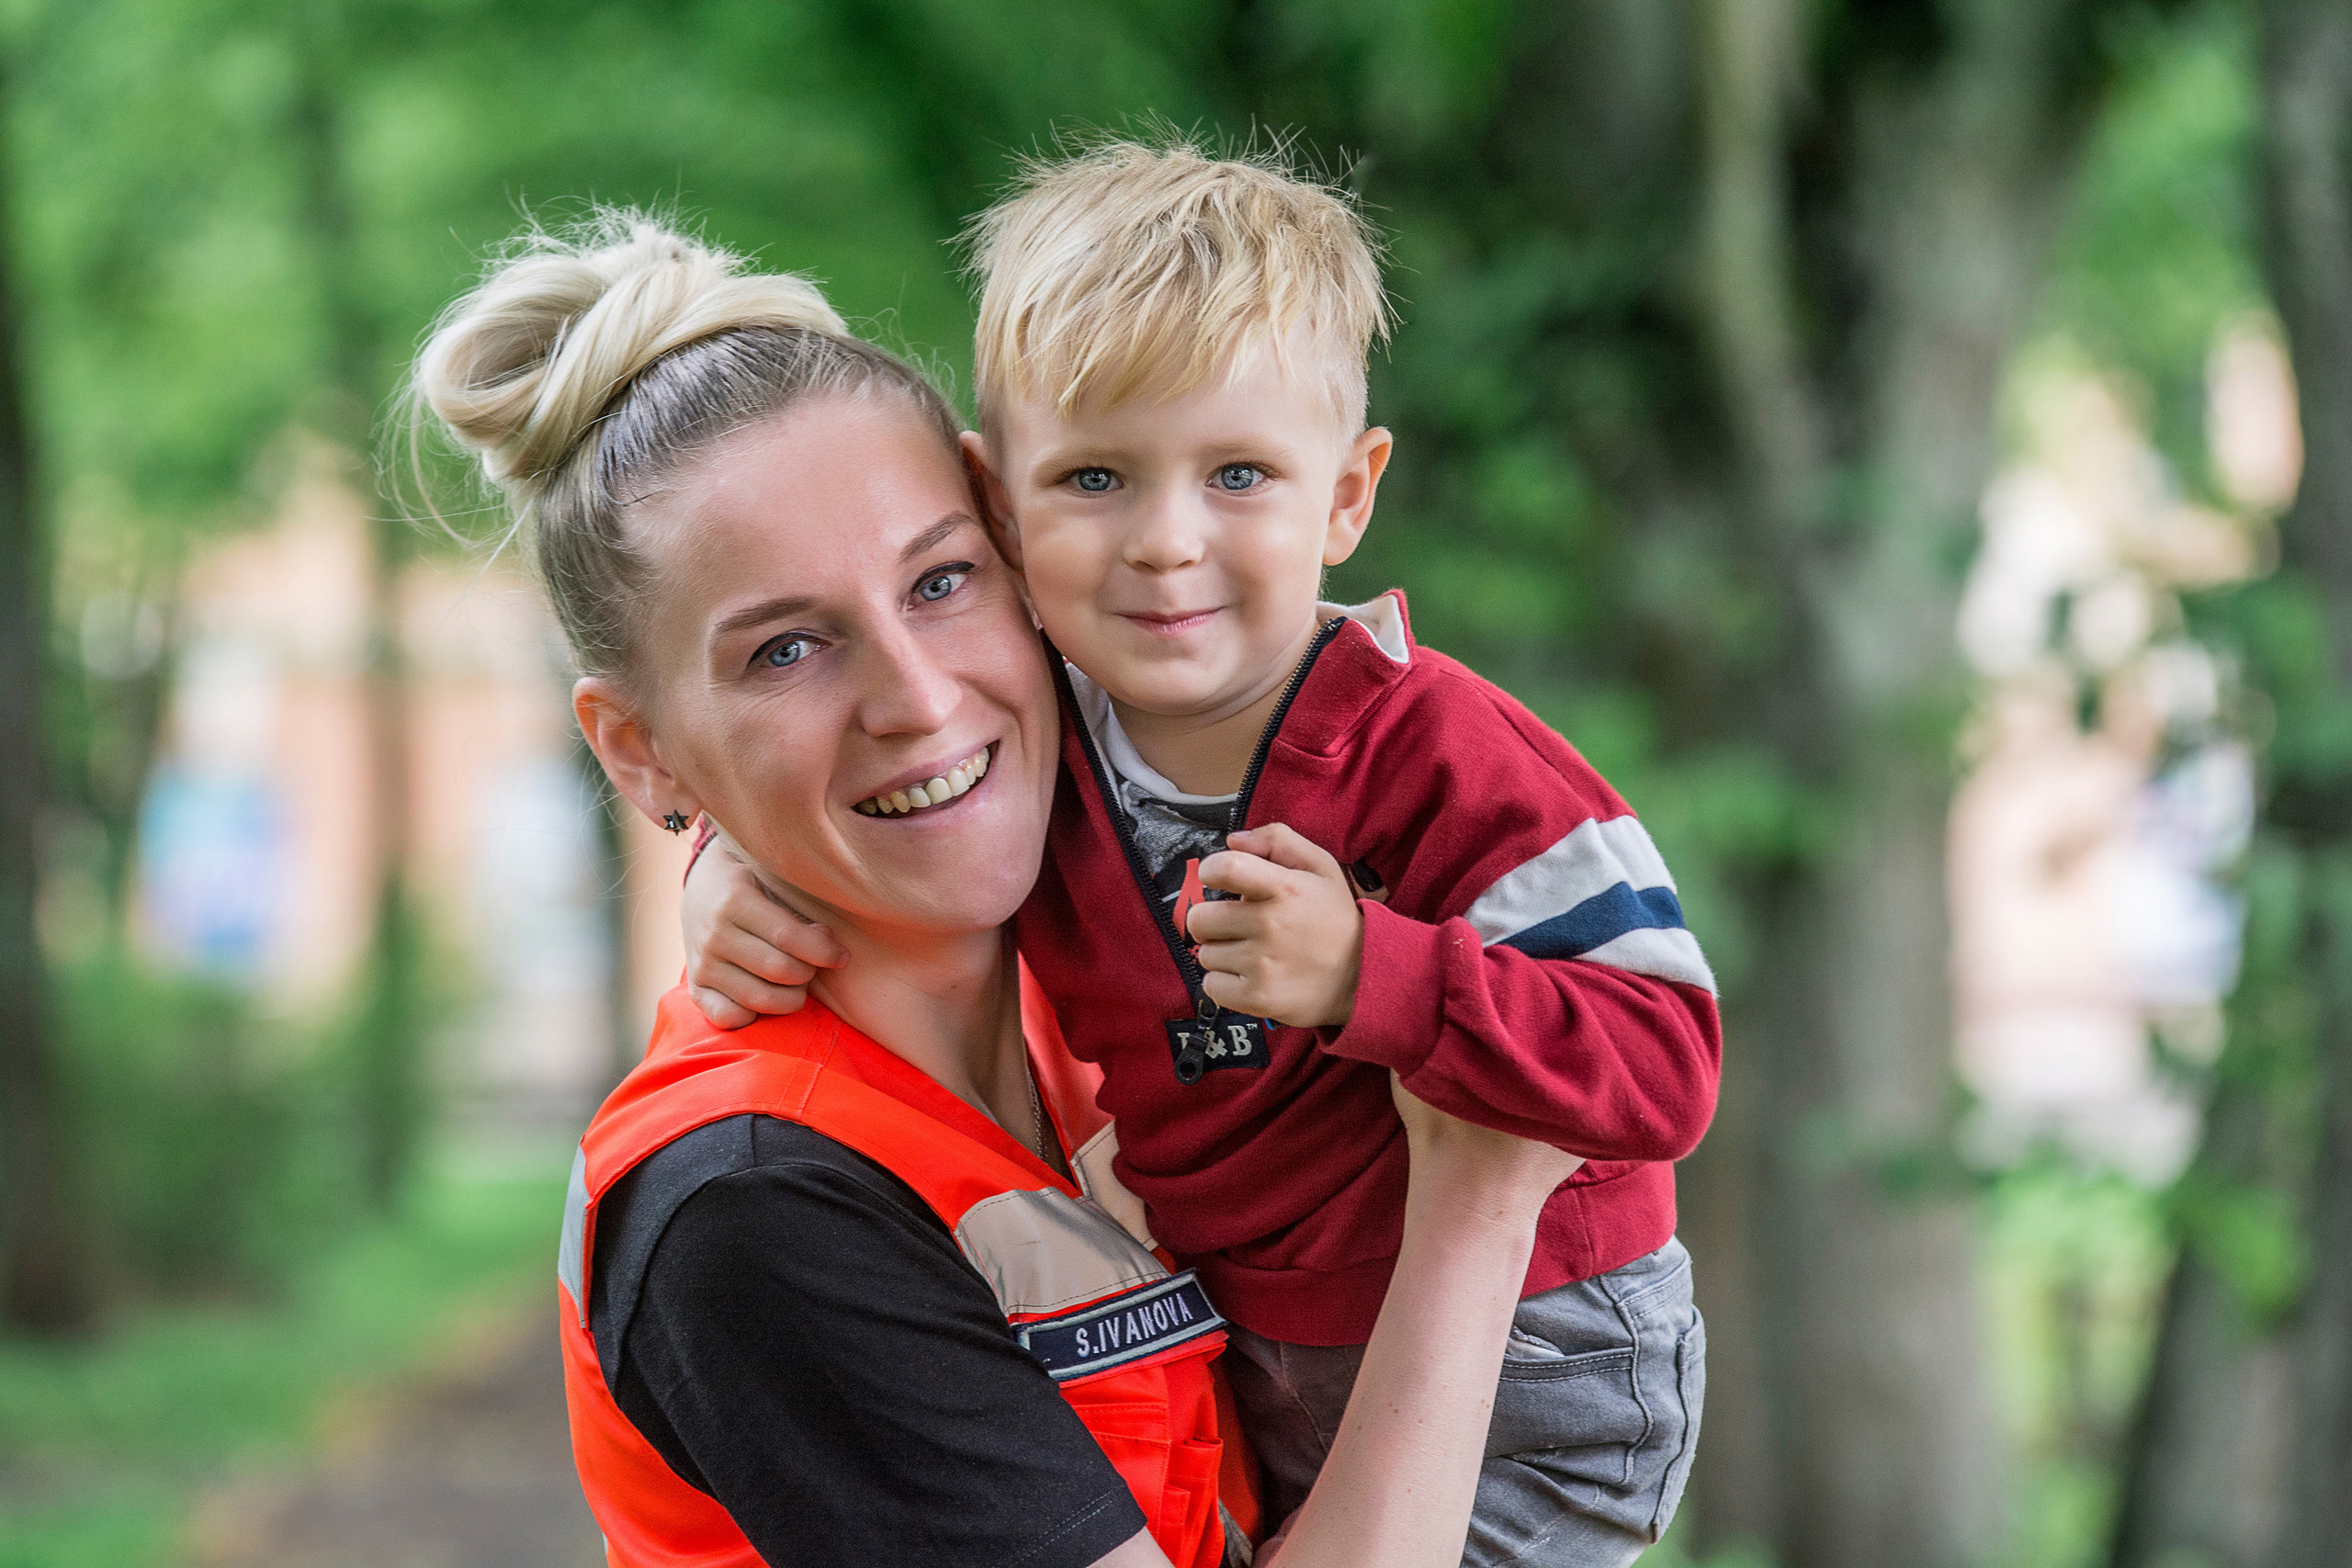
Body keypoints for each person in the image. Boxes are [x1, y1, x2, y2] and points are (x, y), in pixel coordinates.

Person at [410, 211, 1583, 1568]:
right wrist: (1481, 1200)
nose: (917, 701)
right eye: (787, 650)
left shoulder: (1096, 992)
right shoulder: (751, 1213)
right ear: (639, 749)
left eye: (942, 579)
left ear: (1023, 558)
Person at [682, 139, 1718, 1564]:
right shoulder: (1039, 744)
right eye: (1097, 478)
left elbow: (1667, 1053)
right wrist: (731, 873)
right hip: (1258, 1342)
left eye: (1239, 474)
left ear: (1347, 496)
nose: (1166, 543)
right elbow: (868, 799)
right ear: (1000, 500)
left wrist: (1383, 974)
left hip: (1540, 1357)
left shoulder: (1443, 760)